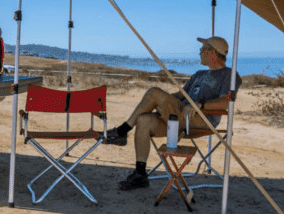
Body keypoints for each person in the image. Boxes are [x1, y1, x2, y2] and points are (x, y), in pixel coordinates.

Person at [102, 36, 241, 190]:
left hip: (199, 120)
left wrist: (199, 105)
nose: (200, 53)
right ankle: (140, 175)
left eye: (202, 50)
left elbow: (225, 102)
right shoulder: (199, 74)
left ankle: (121, 132)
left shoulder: (229, 75)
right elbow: (179, 96)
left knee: (154, 92)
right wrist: (158, 102)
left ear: (212, 52)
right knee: (144, 119)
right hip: (180, 119)